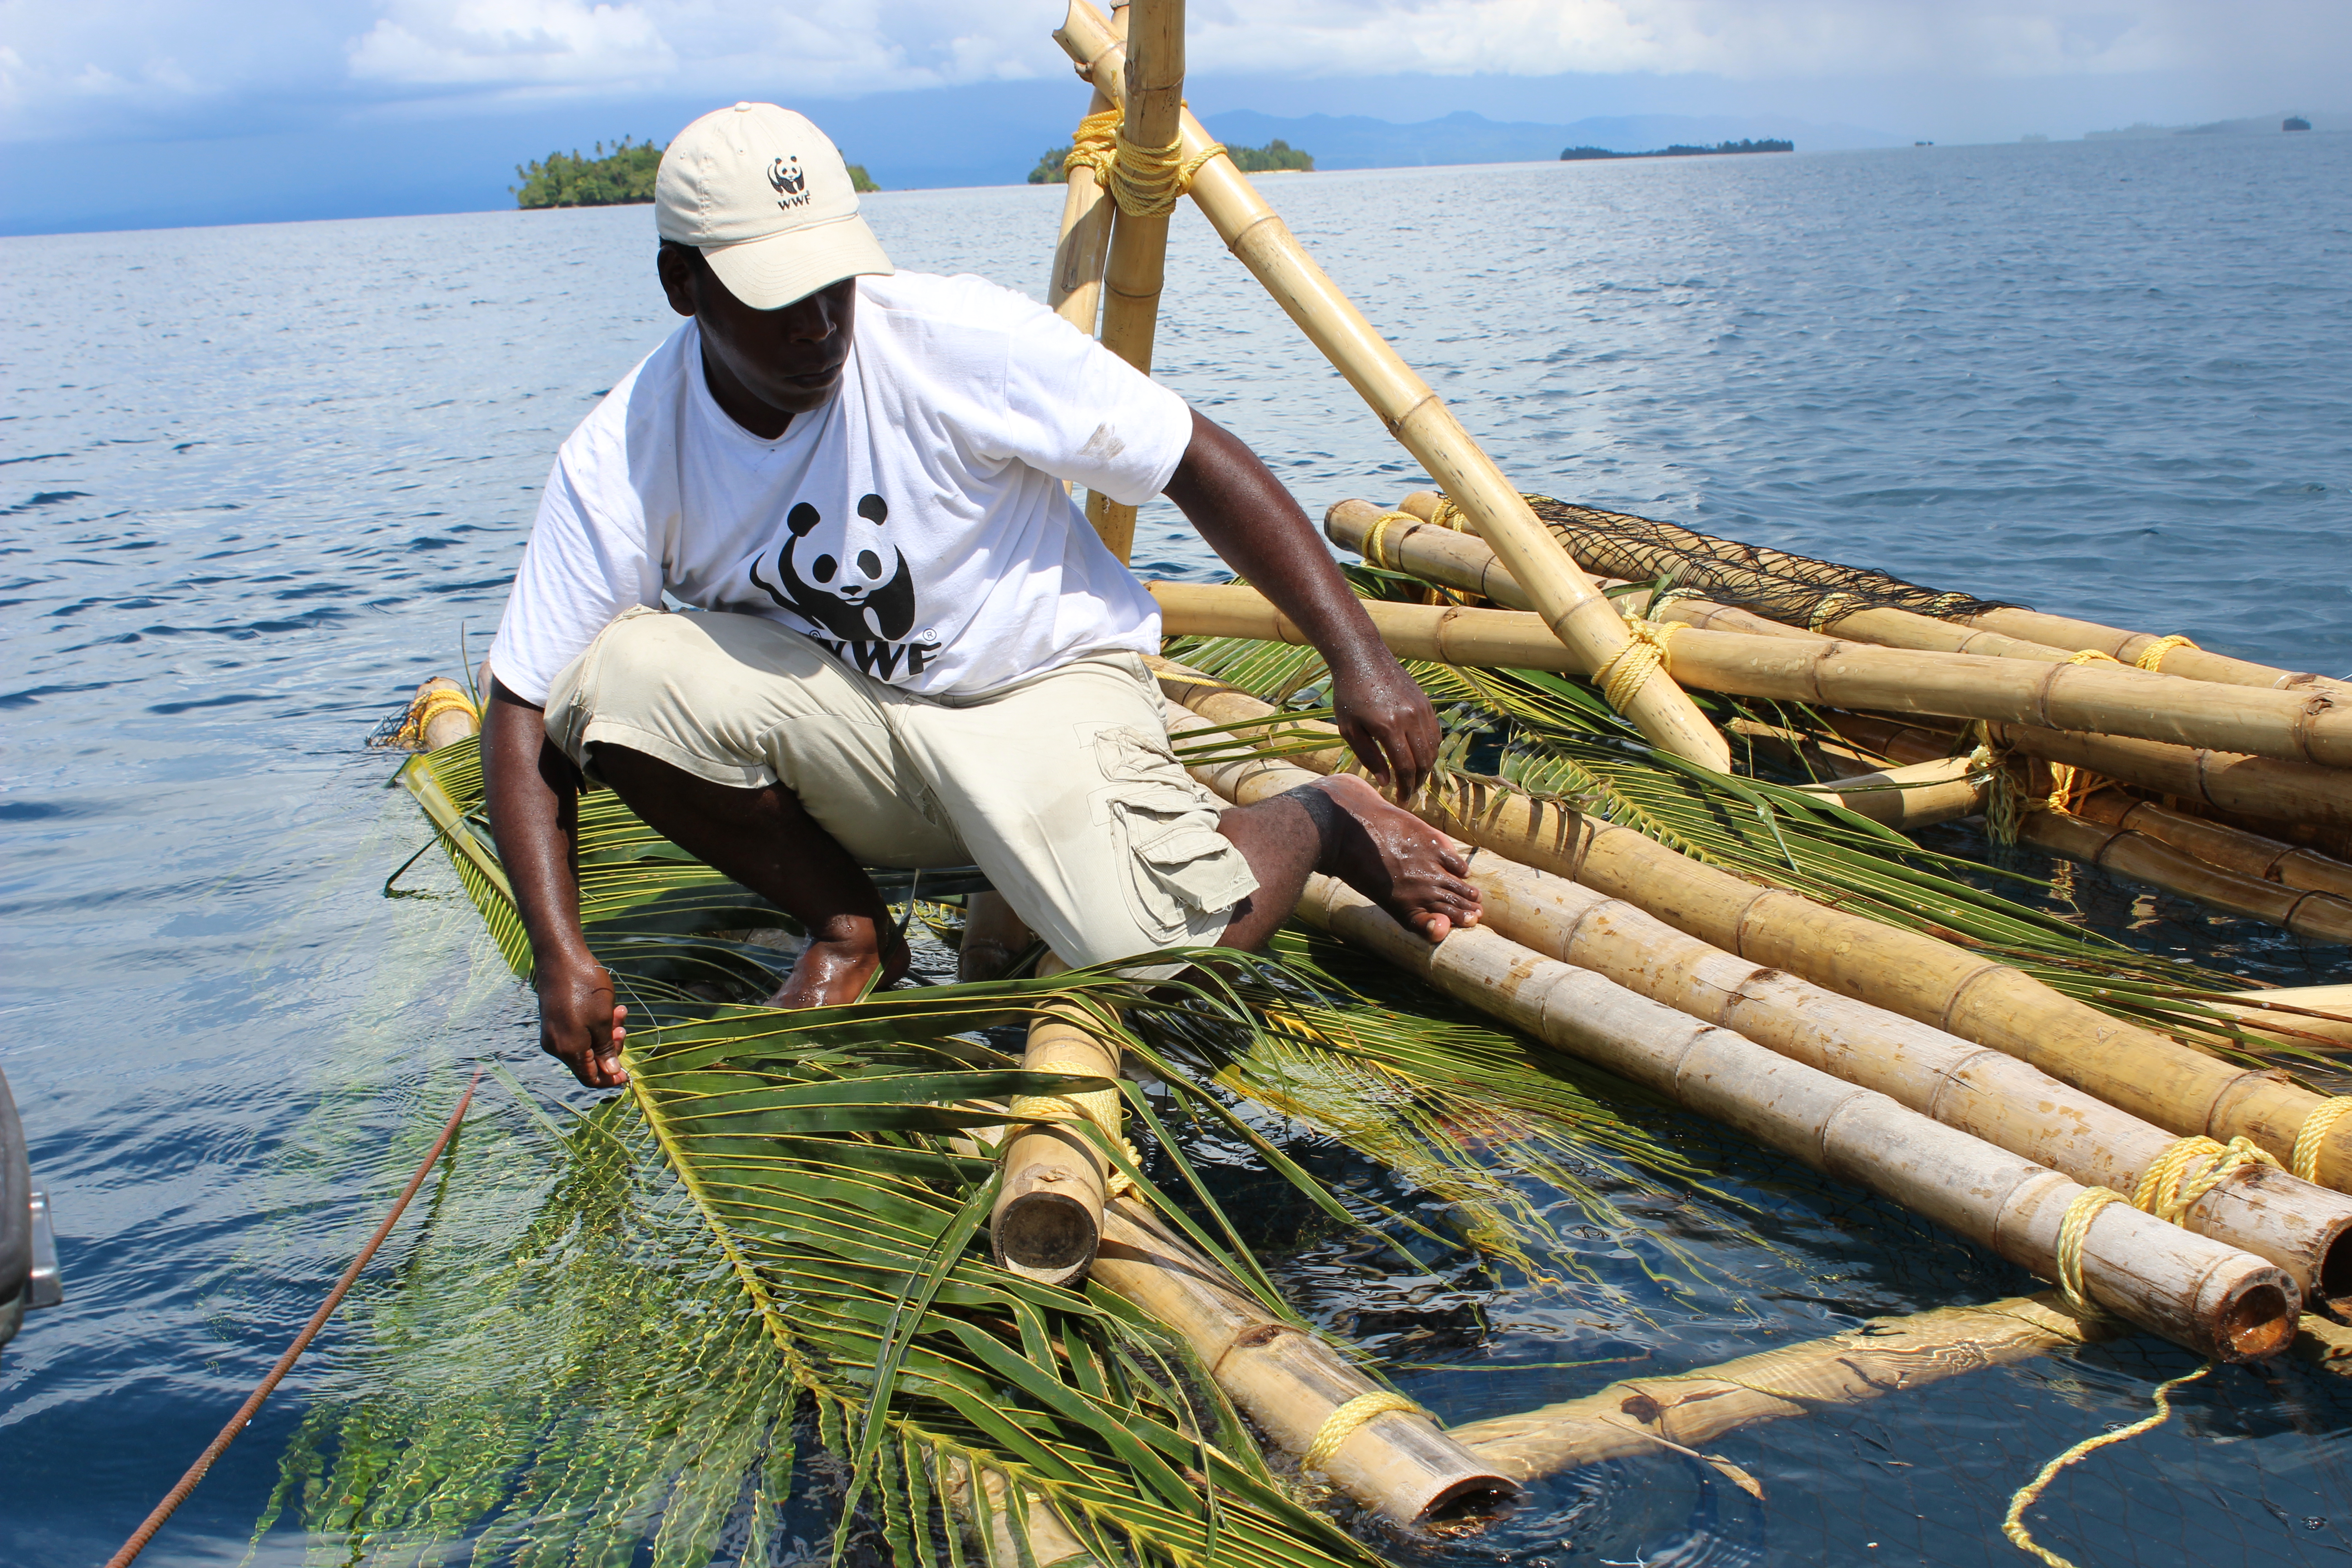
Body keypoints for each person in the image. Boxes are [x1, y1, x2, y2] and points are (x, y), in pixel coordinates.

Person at [482, 102, 1480, 1088]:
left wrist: (1359, 657)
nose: (823, 325)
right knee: (609, 679)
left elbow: (1195, 459)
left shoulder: (953, 336)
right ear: (682, 284)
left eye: (835, 282)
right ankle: (848, 925)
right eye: (779, 299)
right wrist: (560, 954)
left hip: (1037, 690)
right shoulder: (624, 449)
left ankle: (1319, 819)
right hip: (860, 737)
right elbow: (525, 704)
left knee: (1154, 960)